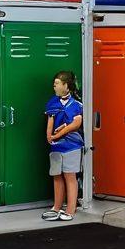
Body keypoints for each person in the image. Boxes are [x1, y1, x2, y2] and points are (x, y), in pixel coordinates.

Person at [43, 70, 84, 222]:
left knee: (70, 176)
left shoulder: (77, 105)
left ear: (66, 86)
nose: (54, 87)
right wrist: (50, 136)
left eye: (57, 84)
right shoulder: (52, 102)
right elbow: (50, 120)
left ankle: (70, 209)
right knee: (57, 176)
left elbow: (76, 124)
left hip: (72, 146)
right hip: (56, 147)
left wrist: (58, 134)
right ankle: (56, 206)